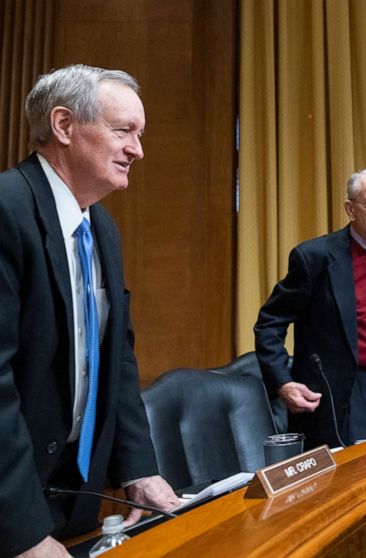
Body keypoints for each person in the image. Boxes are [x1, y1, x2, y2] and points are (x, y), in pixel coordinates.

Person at [0, 65, 181, 558]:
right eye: (123, 131)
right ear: (63, 125)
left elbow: (115, 358)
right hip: (12, 506)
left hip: (73, 498)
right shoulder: (6, 208)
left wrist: (137, 467)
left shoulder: (101, 226)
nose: (137, 149)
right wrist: (21, 531)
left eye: (139, 135)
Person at [255, 169, 366, 449]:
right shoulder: (314, 257)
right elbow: (270, 323)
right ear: (350, 209)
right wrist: (283, 382)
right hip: (342, 391)